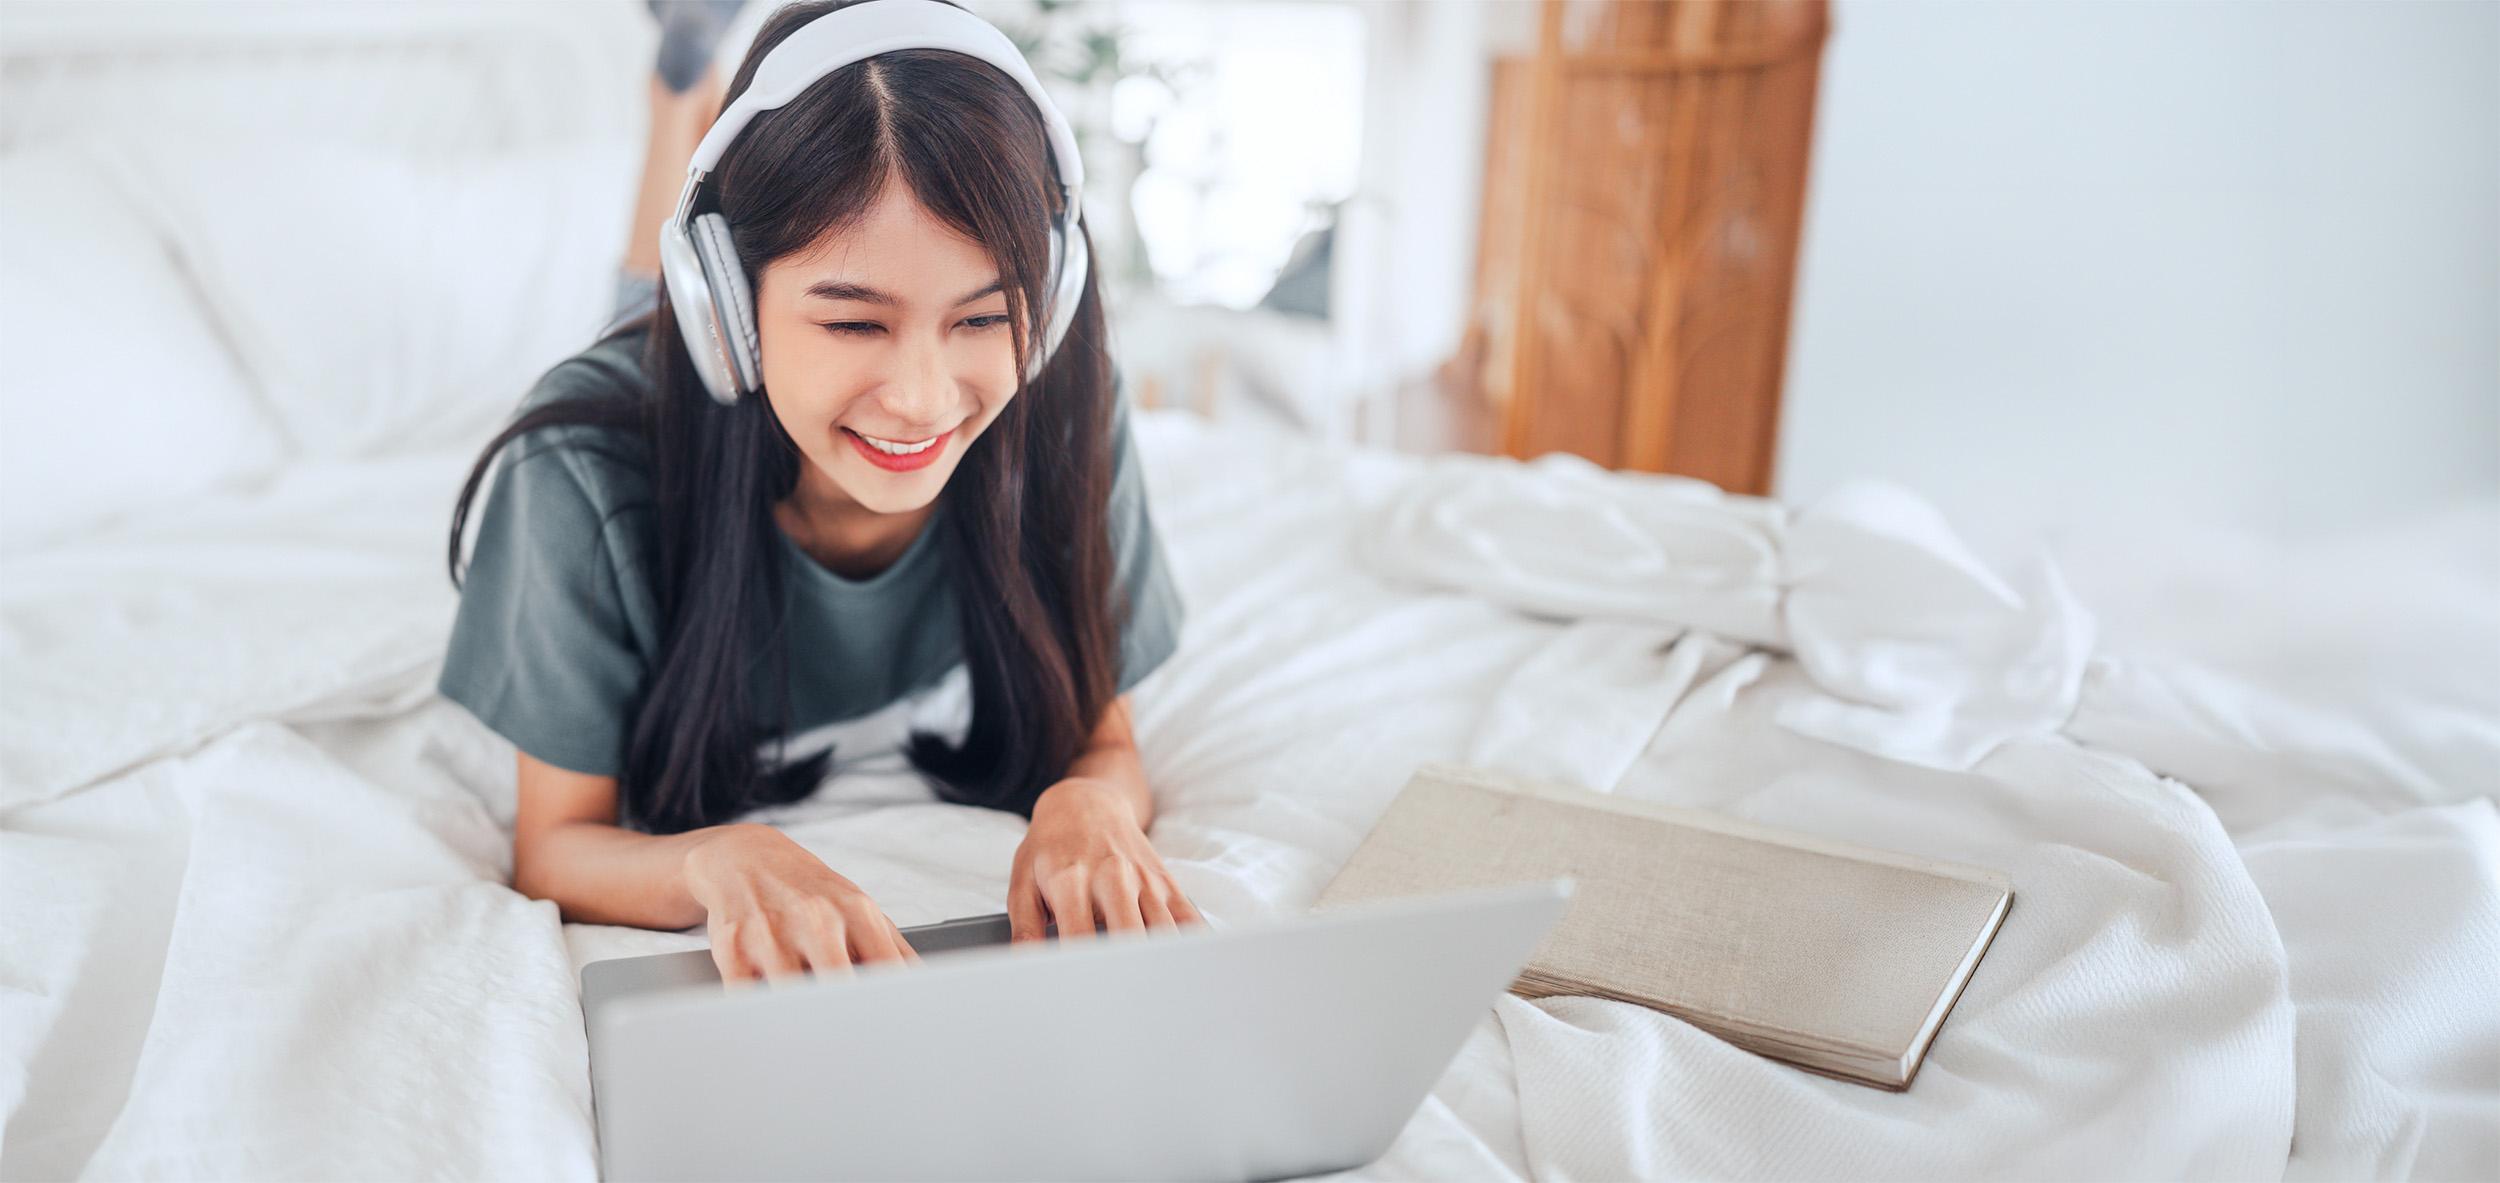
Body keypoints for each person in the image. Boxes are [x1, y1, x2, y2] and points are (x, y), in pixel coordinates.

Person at [438, 0, 1198, 986]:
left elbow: (1106, 740)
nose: (924, 399)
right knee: (636, 303)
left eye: (981, 319)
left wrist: (1086, 804)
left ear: (1046, 308)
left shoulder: (1060, 403)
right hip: (674, 401)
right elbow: (555, 843)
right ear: (734, 312)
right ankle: (680, 76)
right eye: (854, 324)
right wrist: (725, 859)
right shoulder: (581, 466)